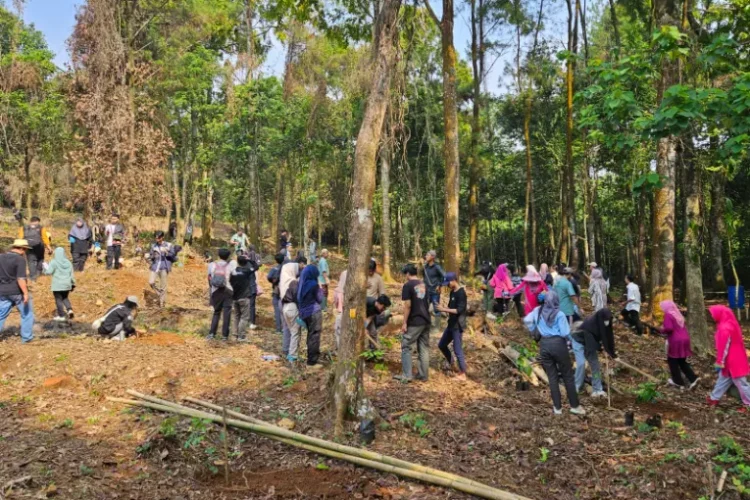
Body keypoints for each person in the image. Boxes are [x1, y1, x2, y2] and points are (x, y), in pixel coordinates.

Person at [523, 290, 586, 415]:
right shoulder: (560, 314)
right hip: (559, 345)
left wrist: (535, 330)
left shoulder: (538, 311)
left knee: (552, 377)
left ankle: (557, 408)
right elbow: (564, 333)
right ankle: (574, 406)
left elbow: (527, 320)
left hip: (544, 345)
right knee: (568, 376)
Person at [706, 305, 750, 410]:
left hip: (732, 360)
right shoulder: (732, 324)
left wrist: (719, 361)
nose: (712, 316)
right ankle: (714, 398)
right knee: (724, 378)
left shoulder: (724, 328)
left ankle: (748, 404)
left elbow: (723, 346)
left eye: (713, 314)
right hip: (736, 356)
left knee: (741, 383)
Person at [395, 264, 431, 382]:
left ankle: (407, 375)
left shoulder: (408, 285)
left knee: (406, 346)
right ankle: (423, 375)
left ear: (407, 274)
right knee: (423, 348)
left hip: (415, 321)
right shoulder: (423, 284)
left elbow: (408, 305)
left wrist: (404, 322)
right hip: (426, 320)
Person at [653, 301, 699, 390]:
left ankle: (678, 382)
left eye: (663, 307)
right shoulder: (678, 314)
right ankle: (693, 378)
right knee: (682, 361)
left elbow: (669, 328)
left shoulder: (668, 315)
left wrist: (662, 330)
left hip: (675, 341)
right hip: (685, 339)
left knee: (672, 361)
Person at [571, 309, 616, 397]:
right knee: (581, 364)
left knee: (595, 366)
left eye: (608, 319)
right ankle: (575, 387)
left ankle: (597, 389)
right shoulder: (590, 325)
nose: (607, 322)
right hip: (578, 341)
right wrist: (601, 349)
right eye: (605, 319)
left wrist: (611, 352)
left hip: (590, 343)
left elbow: (608, 337)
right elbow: (590, 343)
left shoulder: (602, 324)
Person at [0, 239, 34, 343]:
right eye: (25, 250)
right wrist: (25, 293)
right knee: (27, 314)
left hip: (2, 291)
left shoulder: (1, 257)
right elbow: (20, 278)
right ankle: (26, 338)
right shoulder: (19, 260)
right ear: (22, 249)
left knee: (1, 315)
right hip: (16, 291)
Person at [436, 272, 468, 381]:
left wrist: (443, 309)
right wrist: (441, 305)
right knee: (442, 345)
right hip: (451, 324)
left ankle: (463, 373)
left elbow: (458, 310)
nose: (447, 285)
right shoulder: (452, 292)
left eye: (448, 283)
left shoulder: (461, 293)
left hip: (457, 325)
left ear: (454, 280)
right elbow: (450, 308)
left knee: (457, 349)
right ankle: (452, 363)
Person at [207, 248, 237, 341]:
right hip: (228, 291)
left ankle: (212, 334)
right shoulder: (231, 266)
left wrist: (211, 289)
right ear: (228, 256)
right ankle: (225, 336)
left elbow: (209, 278)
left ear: (219, 255)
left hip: (216, 291)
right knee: (226, 314)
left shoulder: (212, 265)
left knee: (216, 312)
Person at [298, 264, 323, 369]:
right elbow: (320, 299)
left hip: (304, 313)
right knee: (315, 335)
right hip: (314, 312)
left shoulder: (302, 283)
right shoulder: (313, 284)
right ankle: (312, 362)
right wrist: (320, 288)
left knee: (311, 334)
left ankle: (312, 356)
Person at [280, 257, 306, 361]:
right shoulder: (293, 283)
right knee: (295, 333)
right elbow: (298, 299)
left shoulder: (284, 282)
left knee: (291, 331)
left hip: (285, 307)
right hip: (292, 308)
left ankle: (288, 351)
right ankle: (293, 355)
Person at [230, 254, 258, 341]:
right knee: (244, 317)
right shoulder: (247, 271)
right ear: (245, 262)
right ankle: (241, 336)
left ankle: (234, 335)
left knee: (236, 316)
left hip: (235, 297)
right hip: (244, 297)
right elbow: (256, 267)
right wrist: (250, 260)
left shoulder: (233, 272)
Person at [147, 231, 178, 308]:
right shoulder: (153, 245)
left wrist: (167, 252)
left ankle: (162, 303)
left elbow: (174, 256)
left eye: (158, 238)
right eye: (156, 238)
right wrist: (148, 257)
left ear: (162, 237)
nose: (157, 239)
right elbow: (151, 256)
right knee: (151, 282)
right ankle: (160, 294)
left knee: (163, 286)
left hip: (164, 267)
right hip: (155, 266)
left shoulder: (169, 245)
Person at [44, 247, 75, 321]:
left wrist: (45, 269)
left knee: (58, 299)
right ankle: (69, 310)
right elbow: (72, 274)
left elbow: (49, 272)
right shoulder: (68, 262)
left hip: (57, 285)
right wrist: (73, 283)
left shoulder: (54, 262)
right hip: (67, 284)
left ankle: (61, 316)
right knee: (65, 298)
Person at [18, 216, 51, 281]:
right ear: (37, 221)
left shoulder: (23, 228)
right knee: (40, 259)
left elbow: (20, 238)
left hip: (28, 246)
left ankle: (33, 277)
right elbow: (44, 238)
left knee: (31, 261)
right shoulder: (41, 228)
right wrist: (48, 247)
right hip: (39, 247)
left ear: (30, 221)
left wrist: (20, 248)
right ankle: (39, 274)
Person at [422, 250, 445, 317]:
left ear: (432, 257)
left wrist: (440, 285)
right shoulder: (425, 267)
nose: (426, 256)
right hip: (426, 291)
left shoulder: (437, 267)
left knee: (436, 309)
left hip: (435, 291)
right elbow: (424, 277)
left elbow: (444, 276)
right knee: (425, 308)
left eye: (427, 255)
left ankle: (437, 326)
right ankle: (426, 325)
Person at [269, 253, 285, 335]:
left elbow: (269, 277)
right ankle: (285, 328)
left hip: (276, 291)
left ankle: (278, 329)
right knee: (284, 310)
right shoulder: (286, 268)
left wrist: (273, 282)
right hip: (285, 292)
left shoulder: (274, 269)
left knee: (277, 310)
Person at [334, 270, 347, 349]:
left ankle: (341, 349)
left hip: (341, 313)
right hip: (350, 313)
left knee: (338, 332)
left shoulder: (338, 290)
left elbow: (336, 303)